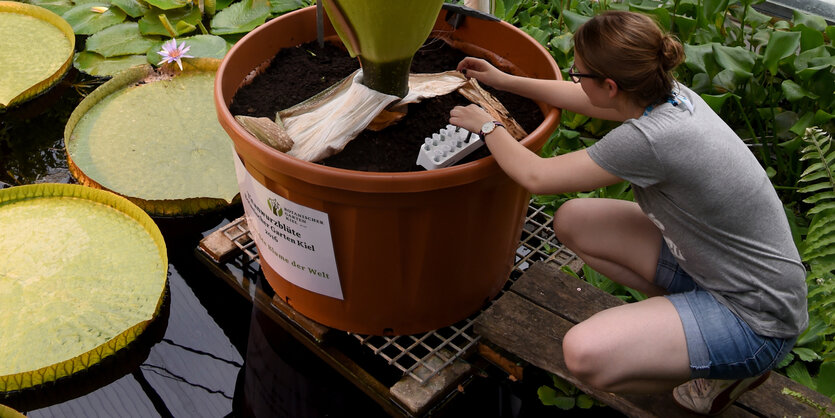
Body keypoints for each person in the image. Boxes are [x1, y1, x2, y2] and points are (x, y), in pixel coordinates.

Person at [449, 10, 807, 416]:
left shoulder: (651, 140)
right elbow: (586, 97)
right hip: (722, 270)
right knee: (574, 220)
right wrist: (502, 79)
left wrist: (488, 126)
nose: (574, 78)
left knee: (583, 355)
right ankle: (684, 323)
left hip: (756, 320)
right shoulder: (668, 95)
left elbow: (535, 175)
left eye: (578, 72)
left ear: (612, 85)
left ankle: (720, 369)